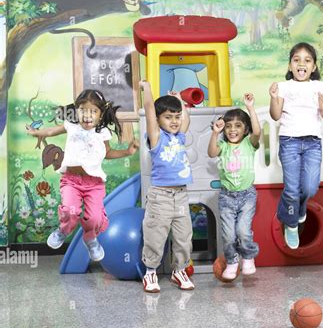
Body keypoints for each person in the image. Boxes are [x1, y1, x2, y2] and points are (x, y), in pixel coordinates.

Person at [26, 89, 139, 261]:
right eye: (83, 110)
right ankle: (63, 230)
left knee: (94, 218)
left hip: (94, 184)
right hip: (71, 181)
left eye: (93, 111)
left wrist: (127, 152)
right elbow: (50, 132)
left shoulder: (103, 133)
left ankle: (90, 238)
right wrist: (37, 133)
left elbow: (107, 153)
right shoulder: (71, 126)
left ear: (100, 115)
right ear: (76, 111)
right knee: (71, 212)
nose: (88, 115)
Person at [269, 42, 323, 249]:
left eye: (307, 60)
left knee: (310, 187)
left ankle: (300, 209)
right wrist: (272, 98)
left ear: (313, 67)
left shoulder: (319, 86)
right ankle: (291, 224)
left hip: (313, 142)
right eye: (296, 60)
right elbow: (275, 115)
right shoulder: (283, 86)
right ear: (290, 66)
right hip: (290, 142)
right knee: (292, 188)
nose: (301, 64)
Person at [140, 80, 195, 293]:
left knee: (184, 236)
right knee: (155, 234)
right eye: (168, 117)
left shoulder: (179, 137)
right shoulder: (156, 138)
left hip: (180, 195)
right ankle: (151, 271)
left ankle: (179, 270)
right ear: (158, 119)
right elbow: (148, 111)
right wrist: (147, 88)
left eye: (176, 116)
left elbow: (186, 120)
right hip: (160, 196)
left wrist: (180, 101)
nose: (174, 121)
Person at [208, 93, 261, 281]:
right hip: (226, 197)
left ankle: (248, 257)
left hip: (247, 195)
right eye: (228, 126)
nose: (232, 130)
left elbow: (257, 133)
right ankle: (232, 261)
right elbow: (211, 152)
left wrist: (251, 108)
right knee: (228, 234)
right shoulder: (222, 145)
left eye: (238, 126)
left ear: (245, 129)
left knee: (243, 231)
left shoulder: (249, 143)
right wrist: (215, 132)